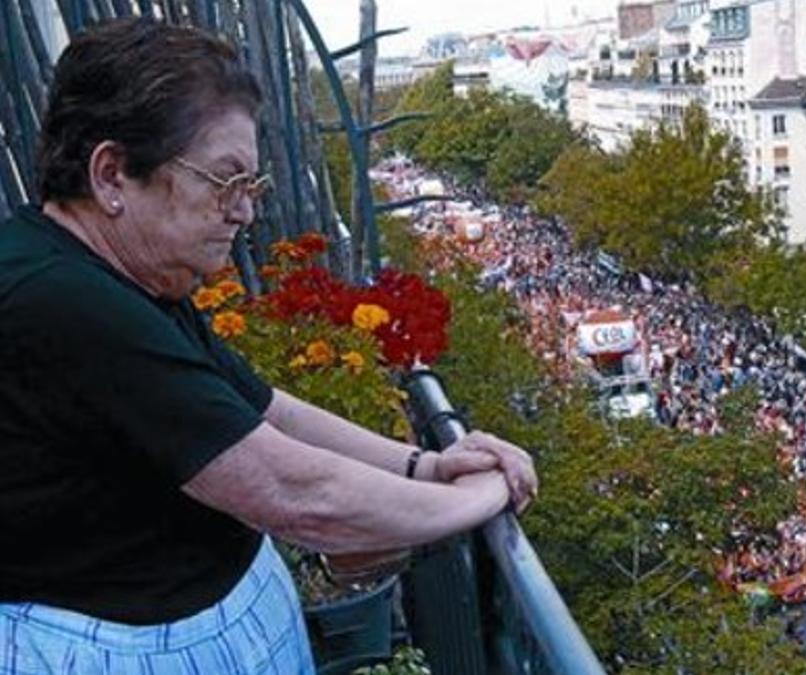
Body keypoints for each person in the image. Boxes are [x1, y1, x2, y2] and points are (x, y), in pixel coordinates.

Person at [0, 19, 537, 674]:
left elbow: (263, 408)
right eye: (225, 181)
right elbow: (292, 490)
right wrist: (482, 496)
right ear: (112, 174)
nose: (246, 212)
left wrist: (424, 467)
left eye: (252, 188)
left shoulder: (112, 276)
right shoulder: (59, 299)